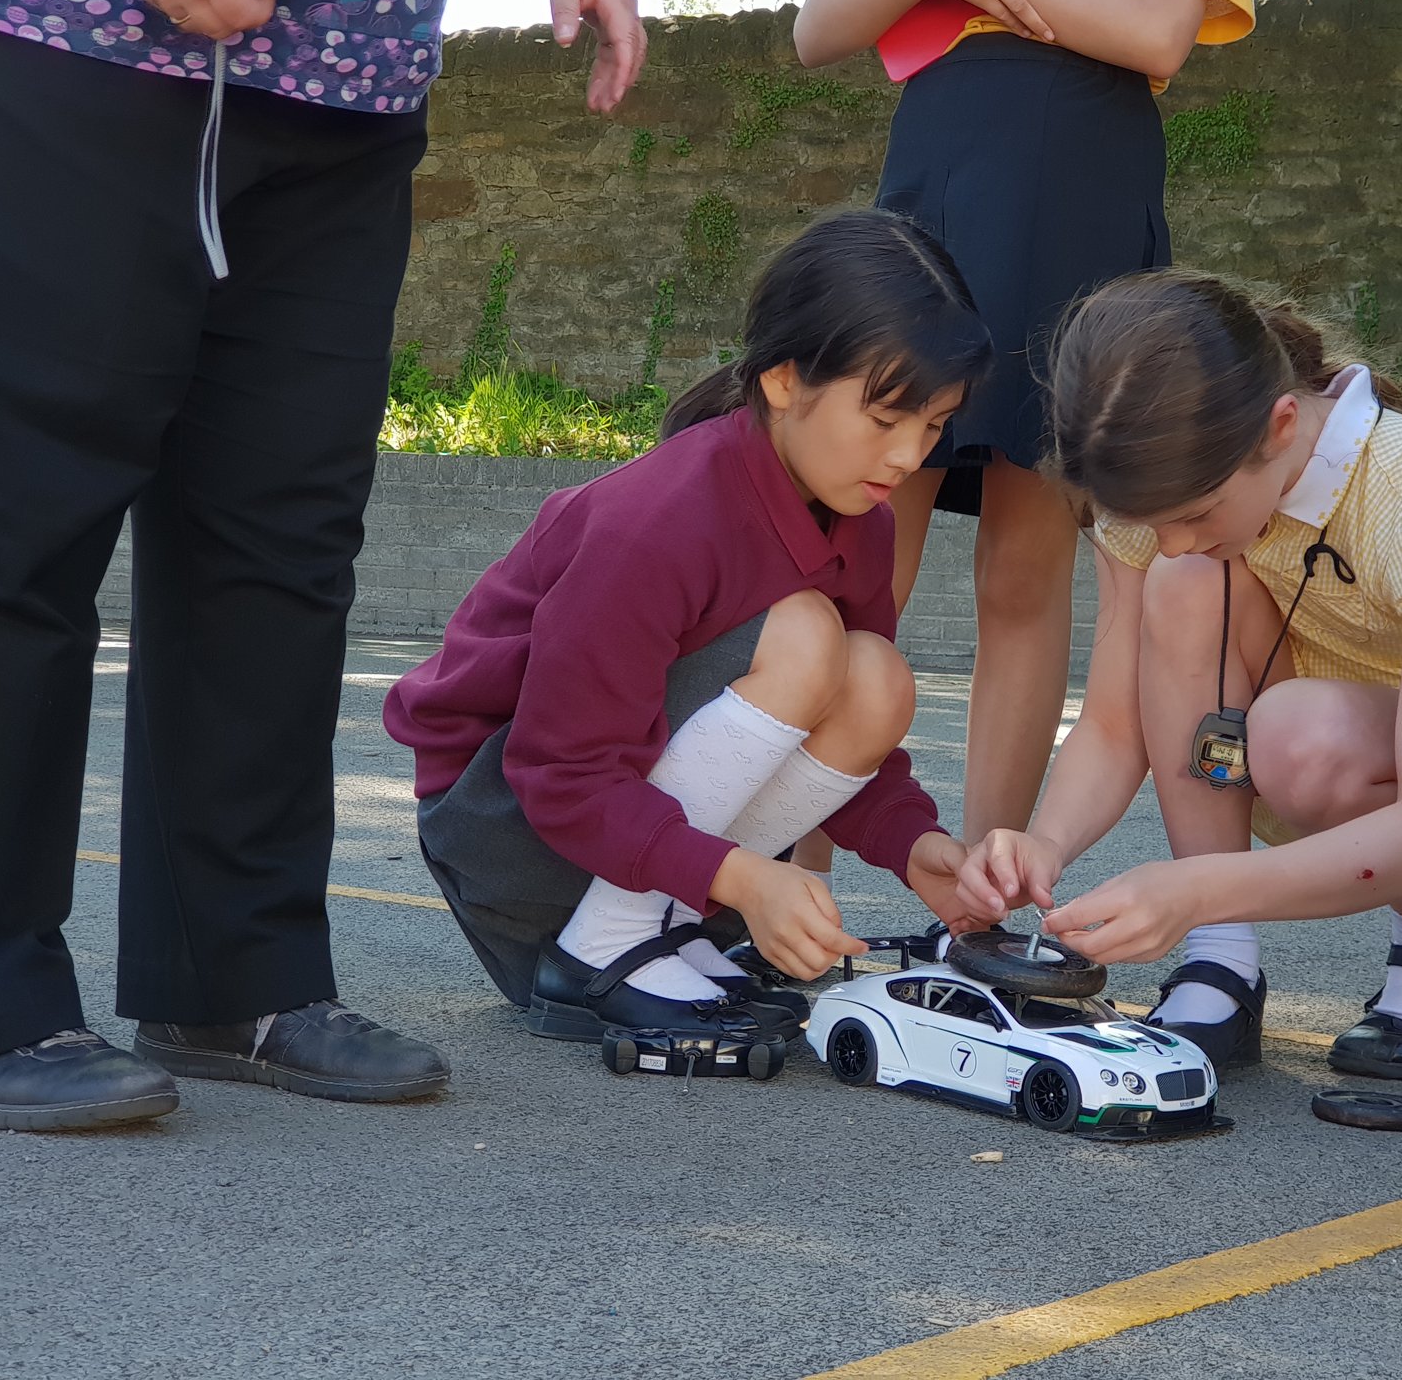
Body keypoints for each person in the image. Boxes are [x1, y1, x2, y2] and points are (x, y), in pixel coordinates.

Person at [0, 0, 646, 1131]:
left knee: (279, 547)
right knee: (9, 531)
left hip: (348, 96)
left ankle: (238, 978)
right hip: (71, 32)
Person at [383, 211, 987, 1059]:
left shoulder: (860, 517)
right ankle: (610, 946)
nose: (907, 455)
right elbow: (559, 771)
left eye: (933, 426)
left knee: (876, 672)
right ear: (783, 380)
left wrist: (916, 846)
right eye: (885, 419)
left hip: (631, 847)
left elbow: (856, 738)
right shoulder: (655, 523)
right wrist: (744, 881)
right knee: (810, 633)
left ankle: (659, 929)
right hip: (510, 835)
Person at [790, 0, 1255, 880]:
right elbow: (820, 26)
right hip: (937, 162)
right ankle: (790, 881)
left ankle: (977, 887)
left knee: (1024, 565)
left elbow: (1153, 30)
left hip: (1082, 170)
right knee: (863, 548)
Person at [950, 269, 1402, 1079]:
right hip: (1297, 744)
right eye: (1152, 521)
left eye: (1193, 514)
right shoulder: (1166, 501)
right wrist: (1042, 846)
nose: (1174, 537)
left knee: (1303, 736)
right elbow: (1117, 724)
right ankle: (1220, 964)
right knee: (1185, 586)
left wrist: (1200, 889)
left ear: (1281, 425)